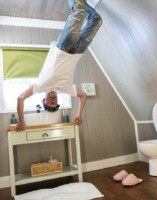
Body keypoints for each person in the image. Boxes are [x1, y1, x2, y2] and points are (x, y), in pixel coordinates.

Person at [16, 0, 102, 131]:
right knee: (97, 20)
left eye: (50, 104)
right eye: (55, 104)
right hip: (79, 51)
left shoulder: (39, 87)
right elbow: (83, 96)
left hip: (63, 47)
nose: (53, 102)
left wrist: (21, 121)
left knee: (79, 13)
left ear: (43, 101)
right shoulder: (66, 89)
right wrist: (79, 114)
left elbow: (20, 98)